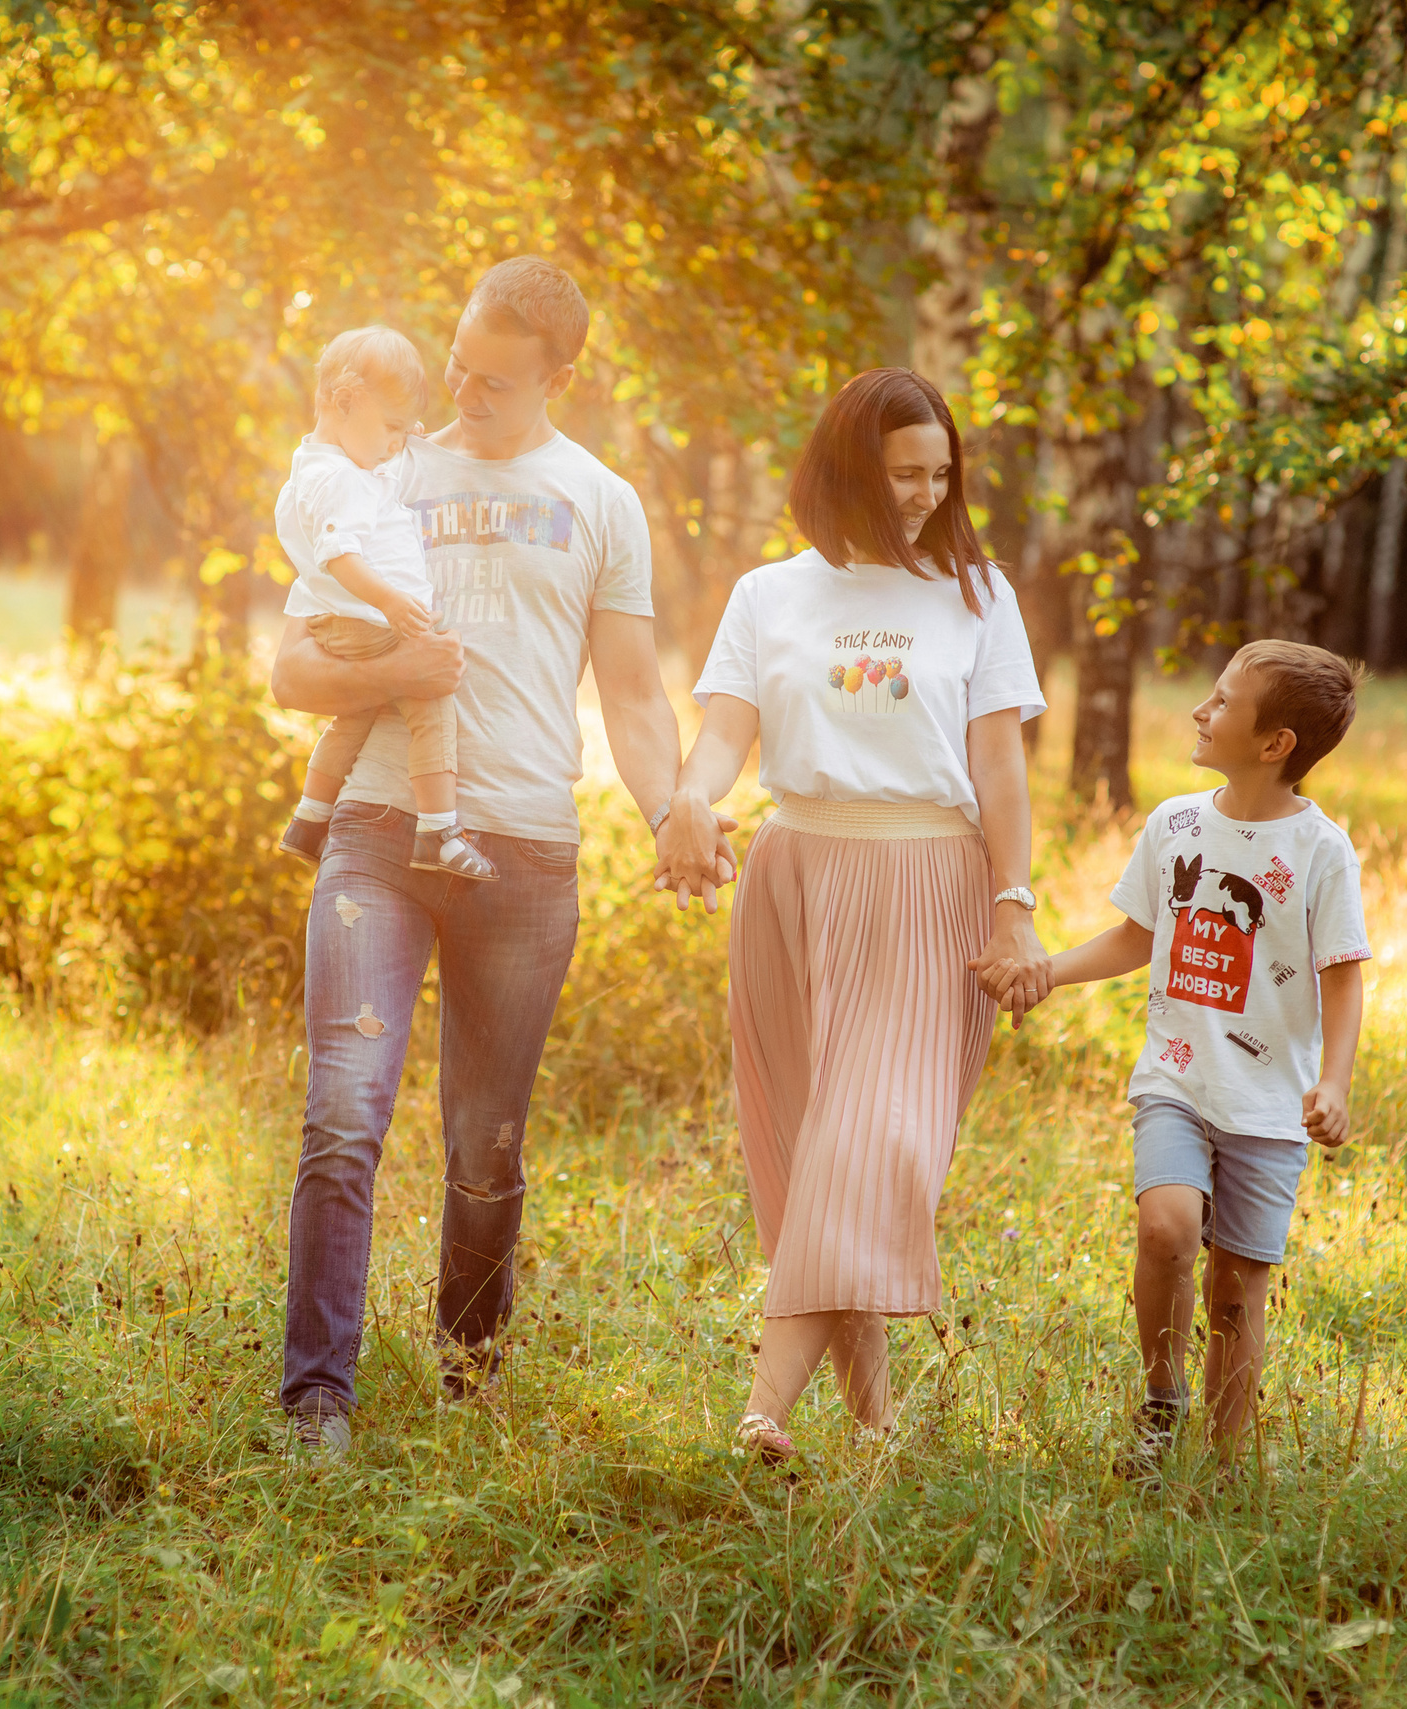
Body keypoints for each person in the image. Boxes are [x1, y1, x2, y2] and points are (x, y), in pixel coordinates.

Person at [268, 258, 699, 1460]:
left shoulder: (602, 501)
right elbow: (292, 671)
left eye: (494, 381)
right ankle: (316, 1399)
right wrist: (390, 677)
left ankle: (470, 1376)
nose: (461, 391)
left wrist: (674, 810)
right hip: (378, 832)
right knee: (343, 1109)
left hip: (524, 852)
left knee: (485, 1145)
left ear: (560, 377)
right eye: (455, 362)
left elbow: (631, 692)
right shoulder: (384, 470)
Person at [655, 367, 1047, 1463]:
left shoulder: (977, 595)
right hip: (793, 877)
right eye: (903, 472)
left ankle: (761, 1409)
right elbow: (726, 733)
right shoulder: (768, 594)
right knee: (810, 1146)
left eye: (940, 472)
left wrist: (1013, 905)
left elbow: (1000, 769)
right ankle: (877, 1429)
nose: (926, 493)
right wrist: (692, 801)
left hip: (930, 882)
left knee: (872, 1146)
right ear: (848, 471)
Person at [1040, 640, 1370, 1478]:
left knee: (1236, 1291)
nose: (1200, 709)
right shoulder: (1175, 825)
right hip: (1178, 1077)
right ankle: (1161, 1402)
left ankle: (1220, 1468)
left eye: (1222, 701)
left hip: (1269, 1103)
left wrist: (1333, 1082)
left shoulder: (1320, 851)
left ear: (1274, 744)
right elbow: (1136, 935)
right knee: (1166, 1227)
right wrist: (1048, 971)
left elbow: (1343, 977)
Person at [275, 325, 496, 880]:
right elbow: (340, 555)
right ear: (343, 401)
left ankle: (308, 817)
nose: (397, 443)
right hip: (372, 617)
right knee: (433, 705)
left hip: (341, 622)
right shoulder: (342, 483)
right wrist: (393, 603)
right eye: (391, 428)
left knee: (353, 719)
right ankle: (440, 831)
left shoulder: (322, 465)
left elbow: (374, 472)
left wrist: (400, 432)